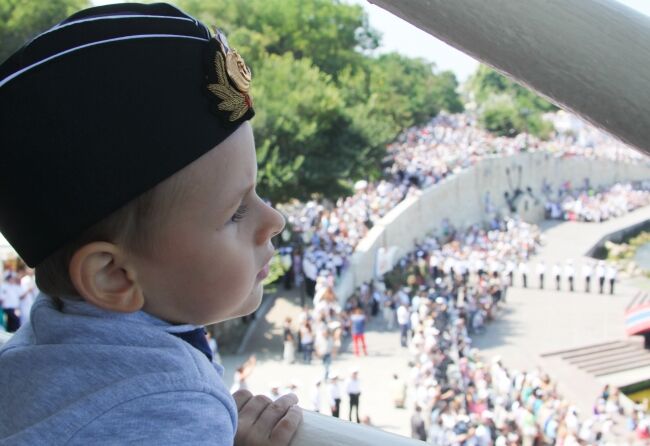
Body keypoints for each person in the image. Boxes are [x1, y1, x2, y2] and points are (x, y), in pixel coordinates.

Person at [0, 4, 302, 444]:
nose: (274, 220)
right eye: (235, 211)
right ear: (113, 276)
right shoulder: (172, 407)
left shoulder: (38, 350)